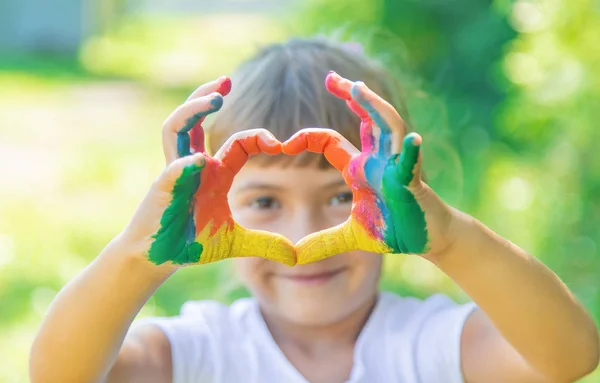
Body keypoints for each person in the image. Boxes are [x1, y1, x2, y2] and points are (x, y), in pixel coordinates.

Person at [30, 38, 599, 383]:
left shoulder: (433, 343)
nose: (304, 236)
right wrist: (139, 257)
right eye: (264, 201)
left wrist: (447, 237)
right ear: (213, 208)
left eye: (341, 196)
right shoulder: (194, 352)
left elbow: (569, 357)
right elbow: (62, 376)